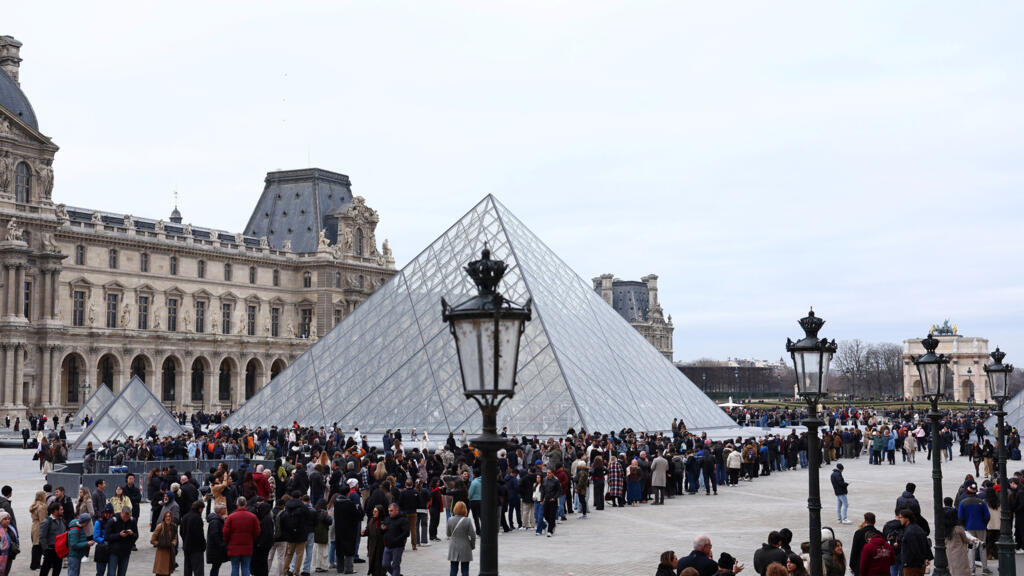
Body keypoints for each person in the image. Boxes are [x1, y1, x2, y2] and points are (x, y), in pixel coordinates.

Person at [223, 497, 261, 576]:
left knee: (235, 567)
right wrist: (252, 539)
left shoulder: (231, 517)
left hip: (234, 547)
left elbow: (225, 532)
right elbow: (257, 532)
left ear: (237, 504)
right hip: (247, 546)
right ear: (246, 504)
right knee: (246, 567)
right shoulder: (253, 517)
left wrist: (227, 541)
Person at [943, 508, 980, 576]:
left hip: (948, 552)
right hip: (959, 553)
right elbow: (966, 540)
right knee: (962, 570)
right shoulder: (958, 528)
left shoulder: (944, 529)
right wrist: (972, 542)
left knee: (952, 569)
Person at [105, 507, 139, 576]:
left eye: (128, 517)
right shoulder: (113, 521)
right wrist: (119, 535)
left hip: (126, 551)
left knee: (122, 573)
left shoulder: (132, 521)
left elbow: (136, 536)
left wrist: (132, 534)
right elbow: (107, 537)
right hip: (114, 551)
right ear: (121, 513)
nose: (126, 519)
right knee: (111, 573)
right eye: (124, 517)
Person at [897, 509, 931, 576]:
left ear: (907, 518)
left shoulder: (910, 531)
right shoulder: (917, 528)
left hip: (912, 565)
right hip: (917, 565)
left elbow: (915, 548)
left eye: (901, 517)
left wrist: (923, 560)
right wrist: (926, 558)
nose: (899, 519)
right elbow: (925, 544)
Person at [333, 492, 360, 574]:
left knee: (339, 549)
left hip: (338, 529)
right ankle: (348, 569)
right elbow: (357, 515)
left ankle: (340, 568)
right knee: (349, 549)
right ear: (348, 493)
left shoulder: (336, 503)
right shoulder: (350, 504)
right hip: (349, 530)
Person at [446, 501, 475, 576]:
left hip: (453, 547)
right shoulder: (467, 520)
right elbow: (473, 535)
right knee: (465, 569)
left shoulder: (450, 519)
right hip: (465, 547)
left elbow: (448, 534)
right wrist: (472, 546)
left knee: (453, 569)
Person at [381, 503, 409, 576]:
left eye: (391, 511)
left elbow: (406, 533)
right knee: (385, 564)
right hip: (387, 546)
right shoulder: (387, 519)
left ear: (397, 510)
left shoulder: (403, 520)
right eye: (388, 511)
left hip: (398, 546)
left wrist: (396, 539)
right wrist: (382, 528)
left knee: (395, 565)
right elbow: (383, 529)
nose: (389, 512)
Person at [39, 501, 66, 576]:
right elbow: (42, 537)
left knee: (57, 569)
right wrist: (46, 549)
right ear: (55, 511)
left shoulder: (62, 520)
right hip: (50, 550)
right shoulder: (47, 522)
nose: (63, 511)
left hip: (59, 550)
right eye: (61, 509)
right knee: (45, 570)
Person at [180, 501, 206, 576]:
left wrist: (185, 540)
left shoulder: (185, 516)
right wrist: (203, 545)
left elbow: (181, 531)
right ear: (200, 509)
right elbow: (200, 534)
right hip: (196, 548)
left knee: (187, 568)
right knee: (198, 570)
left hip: (186, 546)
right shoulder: (197, 518)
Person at [151, 510, 178, 576]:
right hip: (161, 555)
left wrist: (174, 541)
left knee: (168, 573)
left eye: (169, 516)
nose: (168, 518)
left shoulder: (173, 527)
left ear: (171, 517)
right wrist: (161, 544)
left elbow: (175, 536)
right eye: (166, 516)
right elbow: (152, 540)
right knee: (160, 573)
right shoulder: (160, 526)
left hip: (170, 554)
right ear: (164, 518)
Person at [362, 505, 386, 576]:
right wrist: (364, 533)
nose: (373, 513)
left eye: (375, 511)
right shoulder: (371, 520)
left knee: (379, 566)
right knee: (372, 565)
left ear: (380, 512)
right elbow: (368, 530)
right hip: (372, 547)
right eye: (373, 511)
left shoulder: (384, 522)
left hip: (381, 547)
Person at [207, 502, 228, 576]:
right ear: (220, 510)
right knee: (215, 567)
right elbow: (215, 535)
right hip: (215, 549)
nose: (226, 509)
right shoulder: (215, 521)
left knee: (216, 567)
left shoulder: (218, 519)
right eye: (224, 508)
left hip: (216, 548)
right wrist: (222, 544)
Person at [93, 505, 113, 576]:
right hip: (102, 549)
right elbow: (95, 537)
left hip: (112, 548)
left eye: (110, 513)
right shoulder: (99, 522)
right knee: (100, 572)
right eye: (106, 513)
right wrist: (105, 541)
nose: (108, 515)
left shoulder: (114, 521)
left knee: (111, 572)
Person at [541, 468, 561, 537]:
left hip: (553, 500)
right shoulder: (544, 480)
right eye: (547, 473)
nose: (548, 474)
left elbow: (559, 491)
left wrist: (554, 498)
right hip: (546, 499)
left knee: (552, 515)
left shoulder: (556, 480)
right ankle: (552, 525)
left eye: (549, 473)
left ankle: (550, 531)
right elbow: (543, 490)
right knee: (545, 514)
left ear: (552, 473)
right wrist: (541, 499)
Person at [29, 490, 47, 570]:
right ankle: (35, 564)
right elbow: (43, 520)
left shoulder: (34, 505)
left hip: (34, 526)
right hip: (39, 527)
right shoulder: (42, 506)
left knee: (35, 546)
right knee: (38, 546)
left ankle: (34, 564)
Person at [0, 510, 18, 576]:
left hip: (10, 555)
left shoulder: (11, 528)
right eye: (5, 519)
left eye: (8, 519)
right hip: (1, 556)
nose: (7, 520)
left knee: (6, 571)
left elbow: (15, 539)